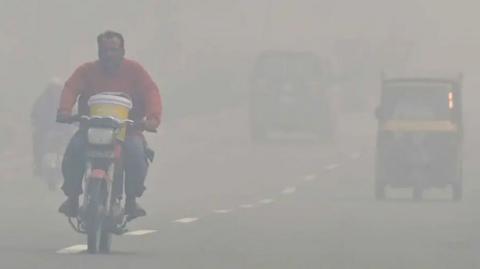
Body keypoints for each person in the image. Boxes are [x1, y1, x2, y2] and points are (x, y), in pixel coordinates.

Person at [57, 30, 162, 219]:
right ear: (99, 52)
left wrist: (152, 118)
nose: (109, 55)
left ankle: (131, 200)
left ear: (122, 50)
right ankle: (72, 197)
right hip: (90, 129)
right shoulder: (86, 71)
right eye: (105, 50)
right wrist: (65, 110)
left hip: (127, 130)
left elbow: (150, 91)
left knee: (137, 155)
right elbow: (71, 88)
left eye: (113, 50)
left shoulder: (135, 70)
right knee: (74, 150)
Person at [31, 77, 66, 176]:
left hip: (64, 131)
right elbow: (34, 114)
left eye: (57, 88)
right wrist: (37, 123)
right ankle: (38, 164)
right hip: (46, 130)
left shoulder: (66, 99)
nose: (55, 91)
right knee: (37, 139)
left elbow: (74, 113)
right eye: (53, 88)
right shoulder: (42, 100)